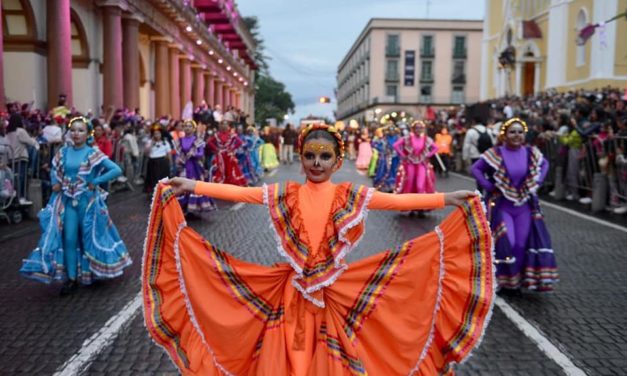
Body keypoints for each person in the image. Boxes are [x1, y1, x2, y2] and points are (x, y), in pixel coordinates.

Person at [142, 123, 494, 375]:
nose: (316, 163)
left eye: (325, 157)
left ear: (337, 162)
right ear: (301, 158)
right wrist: (193, 184)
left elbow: (394, 201)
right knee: (290, 355)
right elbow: (241, 194)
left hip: (333, 293)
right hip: (290, 293)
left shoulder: (348, 196)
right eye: (310, 155)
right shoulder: (287, 193)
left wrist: (445, 197)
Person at [20, 116, 132, 295]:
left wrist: (96, 181)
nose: (76, 134)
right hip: (67, 200)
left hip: (87, 203)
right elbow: (55, 169)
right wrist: (55, 181)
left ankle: (93, 272)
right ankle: (71, 279)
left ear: (87, 133)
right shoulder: (63, 152)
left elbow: (116, 170)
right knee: (69, 238)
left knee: (88, 238)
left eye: (81, 130)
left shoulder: (92, 152)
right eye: (73, 130)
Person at [471, 117, 558, 294]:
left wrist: (538, 181)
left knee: (520, 244)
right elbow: (476, 169)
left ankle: (516, 281)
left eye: (520, 132)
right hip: (502, 205)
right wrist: (488, 186)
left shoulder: (531, 152)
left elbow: (545, 164)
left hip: (524, 206)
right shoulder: (495, 153)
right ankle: (503, 280)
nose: (516, 135)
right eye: (512, 132)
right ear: (504, 135)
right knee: (507, 242)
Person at [174, 119, 215, 214]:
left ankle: (193, 207)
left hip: (194, 167)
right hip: (183, 166)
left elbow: (201, 153)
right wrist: (178, 160)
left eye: (190, 126)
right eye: (185, 126)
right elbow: (177, 154)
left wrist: (194, 154)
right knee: (181, 185)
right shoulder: (179, 140)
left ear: (193, 129)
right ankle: (182, 206)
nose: (187, 128)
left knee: (193, 186)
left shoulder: (198, 141)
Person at [394, 120, 438, 198]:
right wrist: (403, 155)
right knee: (409, 183)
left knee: (420, 185)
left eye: (420, 128)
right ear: (413, 129)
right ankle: (410, 204)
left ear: (423, 129)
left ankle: (420, 204)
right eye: (416, 128)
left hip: (421, 164)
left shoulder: (426, 139)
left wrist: (428, 155)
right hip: (410, 164)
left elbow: (436, 148)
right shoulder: (407, 138)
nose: (418, 130)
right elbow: (396, 145)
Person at [6, 113, 39, 205]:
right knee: (21, 178)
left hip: (11, 159)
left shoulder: (8, 132)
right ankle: (21, 197)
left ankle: (14, 197)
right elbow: (30, 141)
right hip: (21, 157)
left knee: (13, 179)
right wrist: (36, 142)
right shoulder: (20, 131)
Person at [206, 121, 248, 187]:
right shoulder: (217, 135)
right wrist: (216, 149)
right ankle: (222, 185)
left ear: (228, 126)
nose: (224, 126)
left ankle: (231, 185)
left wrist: (232, 148)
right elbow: (209, 142)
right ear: (220, 126)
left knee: (231, 169)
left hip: (229, 156)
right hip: (220, 157)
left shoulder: (231, 134)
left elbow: (240, 142)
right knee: (220, 169)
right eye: (222, 124)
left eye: (226, 124)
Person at [144, 123, 172, 194]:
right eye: (155, 134)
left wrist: (170, 164)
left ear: (161, 134)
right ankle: (154, 193)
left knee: (163, 179)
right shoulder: (149, 142)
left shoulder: (165, 142)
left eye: (158, 133)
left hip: (163, 163)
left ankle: (163, 192)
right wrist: (151, 144)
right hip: (152, 162)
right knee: (153, 179)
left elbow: (169, 154)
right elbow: (146, 153)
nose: (157, 135)